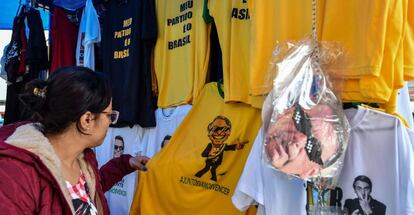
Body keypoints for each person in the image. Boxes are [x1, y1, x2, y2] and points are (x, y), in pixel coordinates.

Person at [0, 66, 150, 215]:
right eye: (109, 115)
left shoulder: (82, 159)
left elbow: (91, 191)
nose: (111, 122)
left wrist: (124, 164)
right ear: (87, 120)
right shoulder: (17, 175)